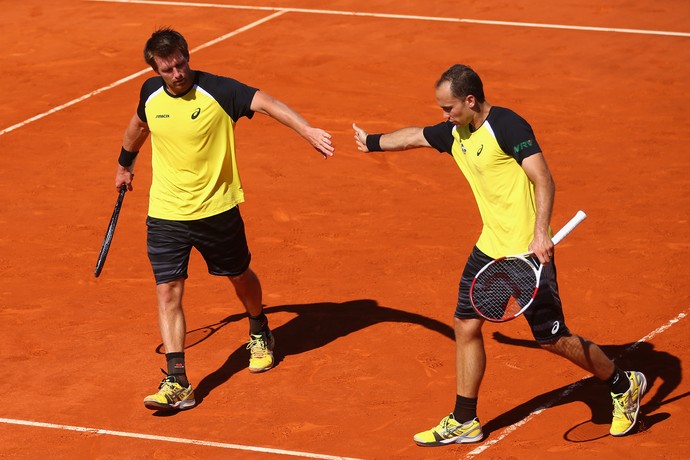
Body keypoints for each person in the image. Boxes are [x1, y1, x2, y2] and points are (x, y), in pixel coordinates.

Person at [352, 64, 646, 445]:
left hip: (527, 254)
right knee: (466, 325)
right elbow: (414, 137)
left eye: (448, 108)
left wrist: (541, 233)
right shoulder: (456, 132)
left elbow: (543, 178)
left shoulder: (508, 126)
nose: (444, 115)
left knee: (552, 339)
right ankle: (464, 419)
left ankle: (623, 385)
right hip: (489, 250)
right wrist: (372, 141)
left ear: (470, 100)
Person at [115, 27, 334, 411]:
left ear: (188, 55)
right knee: (167, 291)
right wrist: (124, 164)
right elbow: (138, 127)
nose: (178, 74)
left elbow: (268, 103)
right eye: (168, 69)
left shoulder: (218, 90)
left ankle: (259, 327)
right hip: (166, 213)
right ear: (155, 69)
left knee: (239, 277)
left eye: (181, 64)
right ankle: (177, 380)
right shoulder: (150, 94)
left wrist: (307, 130)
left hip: (217, 211)